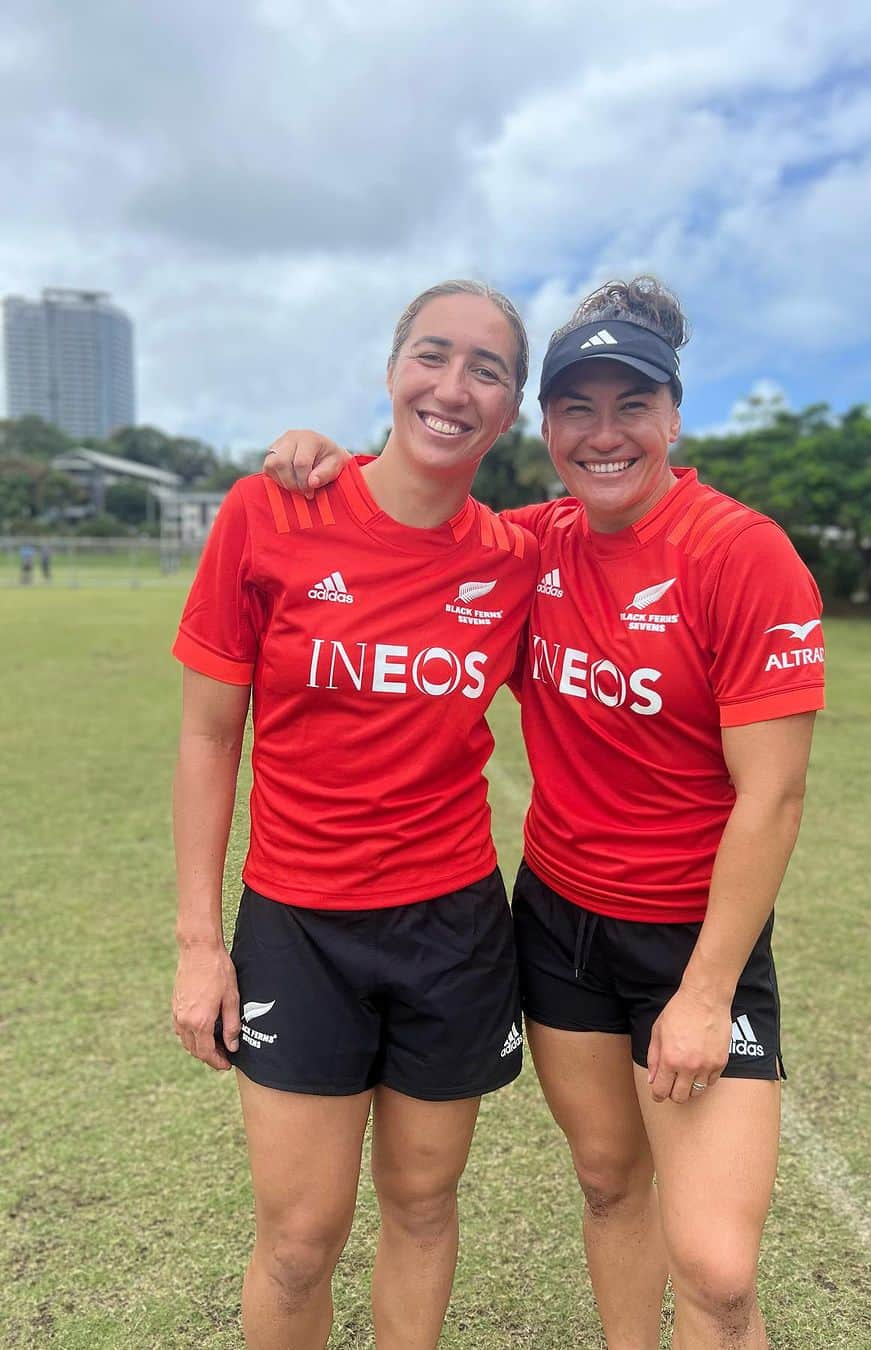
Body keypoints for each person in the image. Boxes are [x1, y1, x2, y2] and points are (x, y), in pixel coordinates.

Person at [266, 276, 825, 1350]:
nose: (604, 433)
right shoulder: (532, 546)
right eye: (578, 406)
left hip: (692, 940)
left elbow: (776, 794)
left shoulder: (739, 552)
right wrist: (319, 458)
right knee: (611, 1181)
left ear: (673, 414)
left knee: (717, 1266)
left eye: (632, 405)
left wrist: (705, 994)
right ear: (548, 423)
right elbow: (414, 524)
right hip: (560, 925)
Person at [171, 279, 538, 1350]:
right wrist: (200, 944)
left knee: (423, 1206)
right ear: (392, 371)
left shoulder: (518, 560)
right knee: (298, 1237)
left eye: (488, 369)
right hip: (299, 928)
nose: (454, 386)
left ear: (511, 408)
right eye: (434, 354)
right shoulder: (272, 510)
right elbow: (206, 738)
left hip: (455, 930)